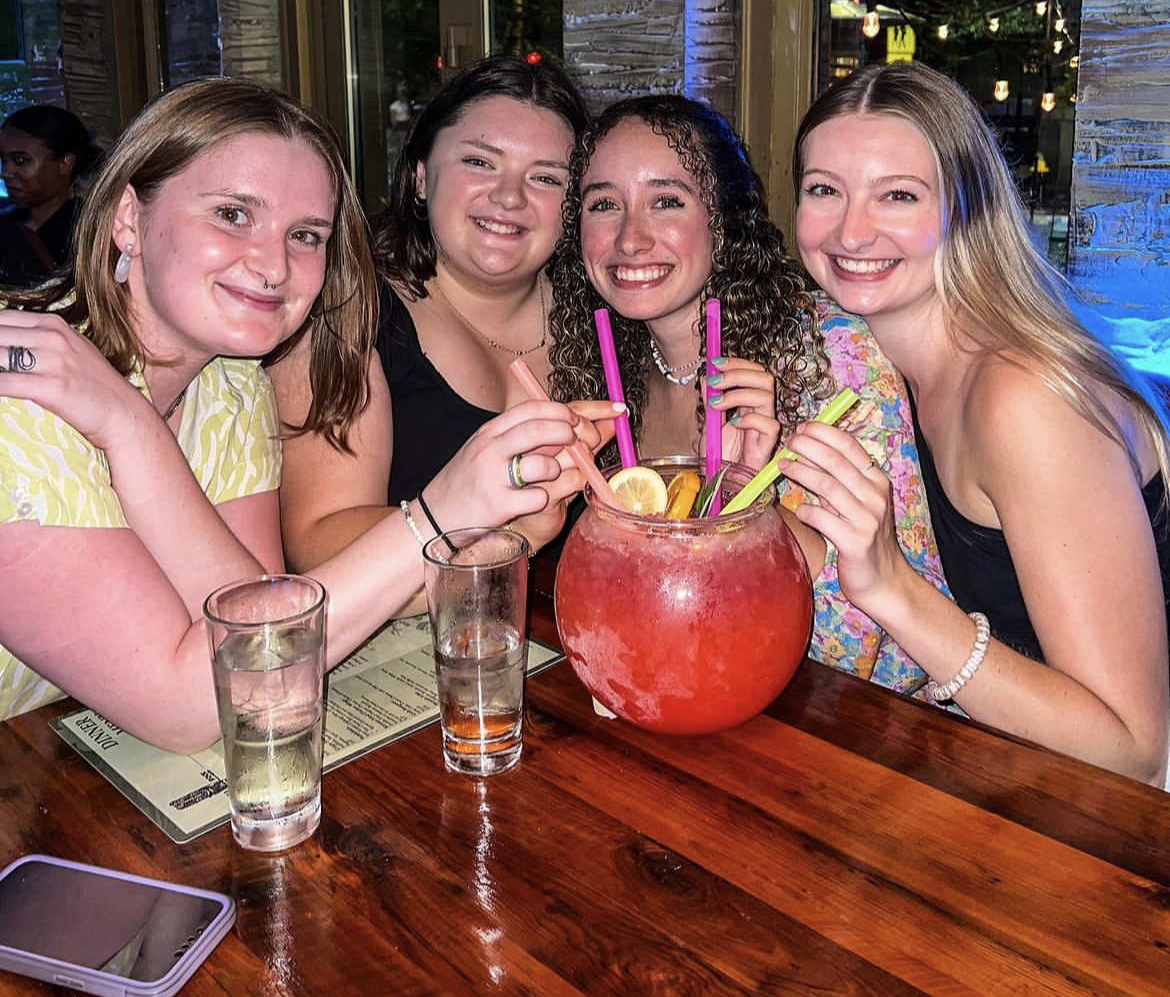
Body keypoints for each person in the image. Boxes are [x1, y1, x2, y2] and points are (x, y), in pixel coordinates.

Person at [0, 78, 594, 752]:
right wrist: (441, 516)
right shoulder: (19, 402)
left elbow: (262, 637)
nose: (273, 264)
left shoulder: (231, 386)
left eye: (306, 234)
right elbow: (206, 707)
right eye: (231, 214)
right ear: (129, 216)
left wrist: (127, 426)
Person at [790, 61, 1170, 781]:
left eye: (897, 195)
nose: (851, 230)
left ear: (967, 208)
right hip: (1022, 770)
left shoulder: (1022, 397)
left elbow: (1132, 748)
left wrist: (892, 588)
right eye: (824, 191)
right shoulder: (872, 353)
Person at [547, 94, 948, 690]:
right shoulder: (604, 372)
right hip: (679, 692)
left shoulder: (834, 359)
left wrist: (754, 506)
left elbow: (888, 652)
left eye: (666, 201)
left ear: (724, 218)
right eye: (604, 204)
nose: (629, 238)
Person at [275, 55, 610, 575]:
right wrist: (508, 538)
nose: (509, 196)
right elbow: (319, 541)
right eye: (479, 162)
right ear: (420, 176)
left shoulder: (606, 318)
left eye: (546, 177)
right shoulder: (349, 315)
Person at [0, 105, 102, 288]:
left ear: (65, 163)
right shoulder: (7, 224)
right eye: (3, 160)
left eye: (20, 160)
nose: (6, 172)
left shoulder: (90, 230)